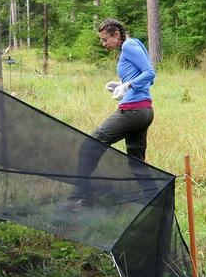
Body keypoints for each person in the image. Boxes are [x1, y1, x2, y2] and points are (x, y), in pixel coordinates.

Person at [67, 19, 156, 208]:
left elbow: (150, 73)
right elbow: (145, 78)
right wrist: (120, 83)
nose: (103, 44)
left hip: (133, 111)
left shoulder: (129, 46)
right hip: (144, 111)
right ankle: (155, 200)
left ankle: (78, 199)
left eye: (105, 39)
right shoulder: (134, 45)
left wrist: (128, 85)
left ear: (116, 34)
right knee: (136, 161)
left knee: (89, 146)